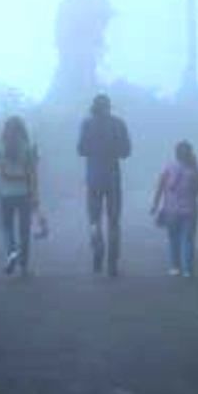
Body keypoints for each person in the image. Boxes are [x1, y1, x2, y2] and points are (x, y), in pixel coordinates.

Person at [77, 93, 131, 276]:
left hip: (93, 177)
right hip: (113, 177)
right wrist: (113, 150)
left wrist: (95, 151)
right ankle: (112, 263)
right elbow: (126, 152)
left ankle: (97, 247)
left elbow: (81, 149)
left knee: (94, 218)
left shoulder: (87, 124)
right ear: (109, 107)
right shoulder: (118, 124)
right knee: (114, 221)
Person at [150, 141, 198, 278]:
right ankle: (187, 269)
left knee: (173, 239)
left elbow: (160, 187)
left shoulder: (169, 167)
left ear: (176, 154)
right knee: (188, 240)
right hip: (190, 211)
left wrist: (155, 204)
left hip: (171, 211)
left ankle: (175, 267)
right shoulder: (195, 169)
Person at [0, 116, 39, 276]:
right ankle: (24, 265)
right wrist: (35, 194)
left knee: (8, 228)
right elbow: (33, 173)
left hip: (5, 194)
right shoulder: (29, 147)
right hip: (24, 193)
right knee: (24, 230)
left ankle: (11, 253)